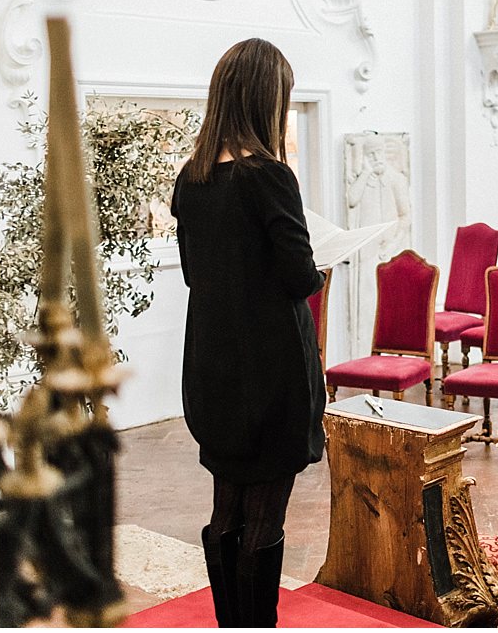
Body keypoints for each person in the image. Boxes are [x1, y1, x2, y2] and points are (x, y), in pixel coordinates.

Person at [171, 38, 325, 627]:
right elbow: (297, 276)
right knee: (265, 519)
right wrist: (314, 268)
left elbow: (193, 273)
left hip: (213, 366)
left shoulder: (194, 178)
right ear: (267, 101)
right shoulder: (270, 177)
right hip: (270, 369)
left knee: (227, 510)